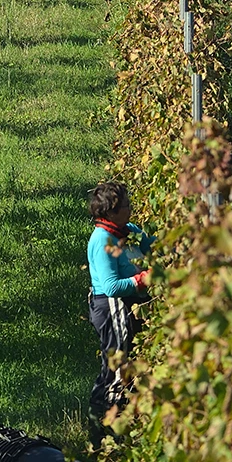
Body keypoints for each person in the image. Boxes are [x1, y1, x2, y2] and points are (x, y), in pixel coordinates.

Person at [86, 181, 152, 438]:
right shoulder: (102, 240)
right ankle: (102, 434)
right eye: (126, 205)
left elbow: (153, 246)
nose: (131, 209)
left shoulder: (129, 230)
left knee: (130, 365)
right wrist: (142, 279)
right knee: (117, 368)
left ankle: (121, 428)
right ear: (110, 211)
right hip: (113, 308)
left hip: (131, 305)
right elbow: (112, 286)